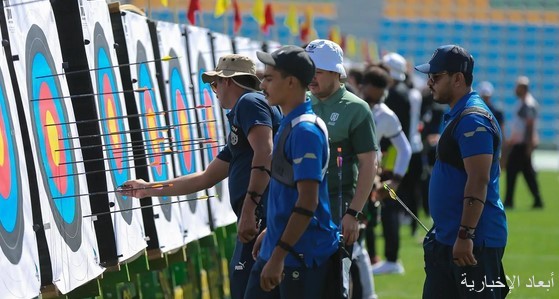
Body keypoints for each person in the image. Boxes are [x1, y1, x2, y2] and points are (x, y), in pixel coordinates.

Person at [119, 54, 282, 299]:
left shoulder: (249, 102)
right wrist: (148, 188)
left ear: (229, 81)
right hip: (258, 222)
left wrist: (249, 211)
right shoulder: (246, 117)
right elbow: (204, 178)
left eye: (215, 83)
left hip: (262, 222)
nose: (214, 90)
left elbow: (265, 152)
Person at [244, 45, 339, 298]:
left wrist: (278, 256)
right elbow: (287, 192)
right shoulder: (290, 121)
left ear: (291, 82)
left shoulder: (305, 131)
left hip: (298, 257)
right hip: (282, 250)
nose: (262, 85)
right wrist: (271, 232)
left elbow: (308, 201)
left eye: (269, 78)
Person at [415, 45, 508, 298]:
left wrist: (466, 233)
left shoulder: (472, 120)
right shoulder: (458, 113)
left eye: (435, 77)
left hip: (472, 243)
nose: (429, 83)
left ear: (457, 79)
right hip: (451, 238)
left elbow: (478, 180)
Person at [305, 39, 379, 298]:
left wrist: (354, 213)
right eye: (308, 70)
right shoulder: (302, 102)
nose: (311, 78)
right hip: (302, 205)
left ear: (336, 73)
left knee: (335, 284)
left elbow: (369, 163)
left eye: (319, 71)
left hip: (338, 207)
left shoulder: (356, 108)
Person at [360, 64, 412, 276]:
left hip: (369, 178)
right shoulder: (350, 104)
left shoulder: (385, 114)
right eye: (379, 89)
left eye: (384, 89)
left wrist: (396, 180)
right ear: (365, 86)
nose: (383, 94)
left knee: (363, 230)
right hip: (342, 177)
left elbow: (405, 149)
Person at [504, 76, 544, 209]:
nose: (515, 89)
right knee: (527, 173)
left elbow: (529, 125)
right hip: (521, 143)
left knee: (511, 170)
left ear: (523, 88)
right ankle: (537, 200)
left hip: (522, 144)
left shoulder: (528, 103)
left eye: (517, 87)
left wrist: (528, 145)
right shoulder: (523, 102)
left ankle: (509, 201)